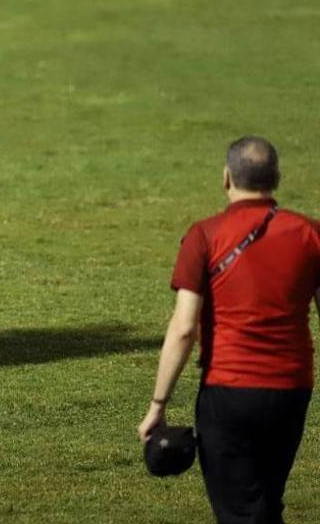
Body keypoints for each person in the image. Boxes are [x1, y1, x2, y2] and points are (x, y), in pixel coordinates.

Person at [137, 136, 320, 523]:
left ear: (226, 178)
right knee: (266, 502)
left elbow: (184, 329)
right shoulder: (310, 233)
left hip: (229, 391)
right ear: (277, 178)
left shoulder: (205, 235)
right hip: (291, 389)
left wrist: (158, 405)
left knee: (239, 512)